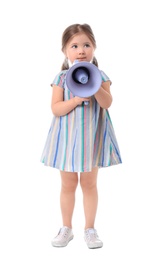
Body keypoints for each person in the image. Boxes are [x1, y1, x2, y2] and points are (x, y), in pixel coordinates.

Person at [41, 23, 122, 249]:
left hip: (91, 139)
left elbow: (107, 104)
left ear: (94, 47)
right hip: (66, 140)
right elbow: (56, 108)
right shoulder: (61, 77)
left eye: (86, 45)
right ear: (65, 51)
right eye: (74, 45)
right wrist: (76, 100)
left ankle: (90, 229)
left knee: (89, 184)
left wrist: (95, 85)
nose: (81, 50)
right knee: (67, 184)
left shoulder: (102, 76)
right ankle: (66, 228)